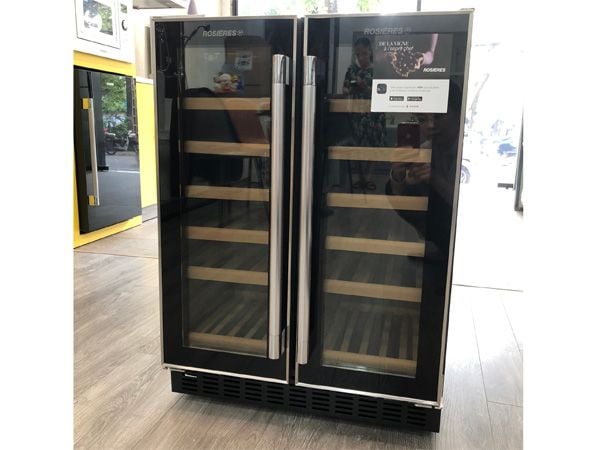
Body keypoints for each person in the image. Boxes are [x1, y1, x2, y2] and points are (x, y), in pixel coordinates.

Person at [342, 37, 386, 191]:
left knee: (374, 146)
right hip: (357, 115)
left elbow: (384, 93)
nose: (361, 57)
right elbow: (344, 89)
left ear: (370, 52)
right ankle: (360, 178)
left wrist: (365, 87)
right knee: (357, 146)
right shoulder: (351, 70)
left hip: (375, 116)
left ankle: (368, 178)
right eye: (358, 54)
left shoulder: (378, 71)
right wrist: (348, 89)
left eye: (364, 54)